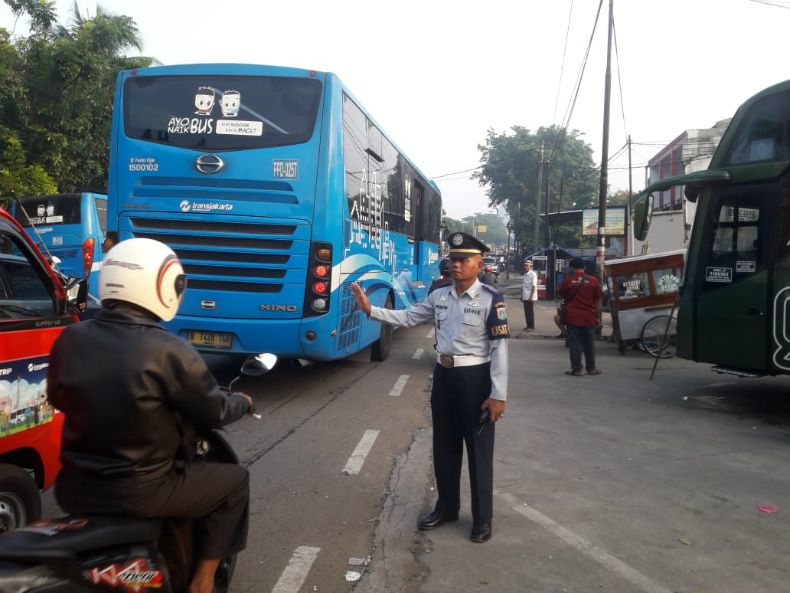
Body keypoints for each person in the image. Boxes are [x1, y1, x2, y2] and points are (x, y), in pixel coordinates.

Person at [47, 238, 254, 593]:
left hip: (75, 488)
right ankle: (203, 582)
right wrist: (244, 403)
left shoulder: (71, 338)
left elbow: (59, 397)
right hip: (141, 491)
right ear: (163, 285)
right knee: (234, 482)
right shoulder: (169, 350)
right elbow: (214, 410)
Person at [351, 232, 509, 543]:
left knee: (478, 452)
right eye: (453, 260)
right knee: (444, 446)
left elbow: (499, 349)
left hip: (475, 380)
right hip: (445, 377)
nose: (456, 265)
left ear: (479, 264)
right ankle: (447, 507)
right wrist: (371, 310)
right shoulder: (439, 297)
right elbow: (409, 316)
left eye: (464, 260)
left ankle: (482, 519)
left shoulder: (492, 299)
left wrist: (497, 395)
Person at [558, 258, 602, 376]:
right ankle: (591, 369)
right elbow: (598, 301)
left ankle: (577, 369)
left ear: (572, 268)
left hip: (573, 317)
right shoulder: (594, 281)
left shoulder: (568, 281)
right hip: (589, 317)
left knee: (575, 344)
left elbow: (562, 294)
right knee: (589, 344)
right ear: (585, 268)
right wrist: (597, 317)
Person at [521, 260, 538, 331]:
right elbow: (523, 287)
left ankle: (531, 327)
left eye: (527, 266)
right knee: (526, 312)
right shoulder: (525, 274)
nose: (525, 267)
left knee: (530, 312)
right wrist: (522, 296)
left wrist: (531, 297)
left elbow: (534, 286)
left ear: (531, 267)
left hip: (530, 297)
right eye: (524, 265)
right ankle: (528, 326)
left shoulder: (533, 274)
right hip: (525, 296)